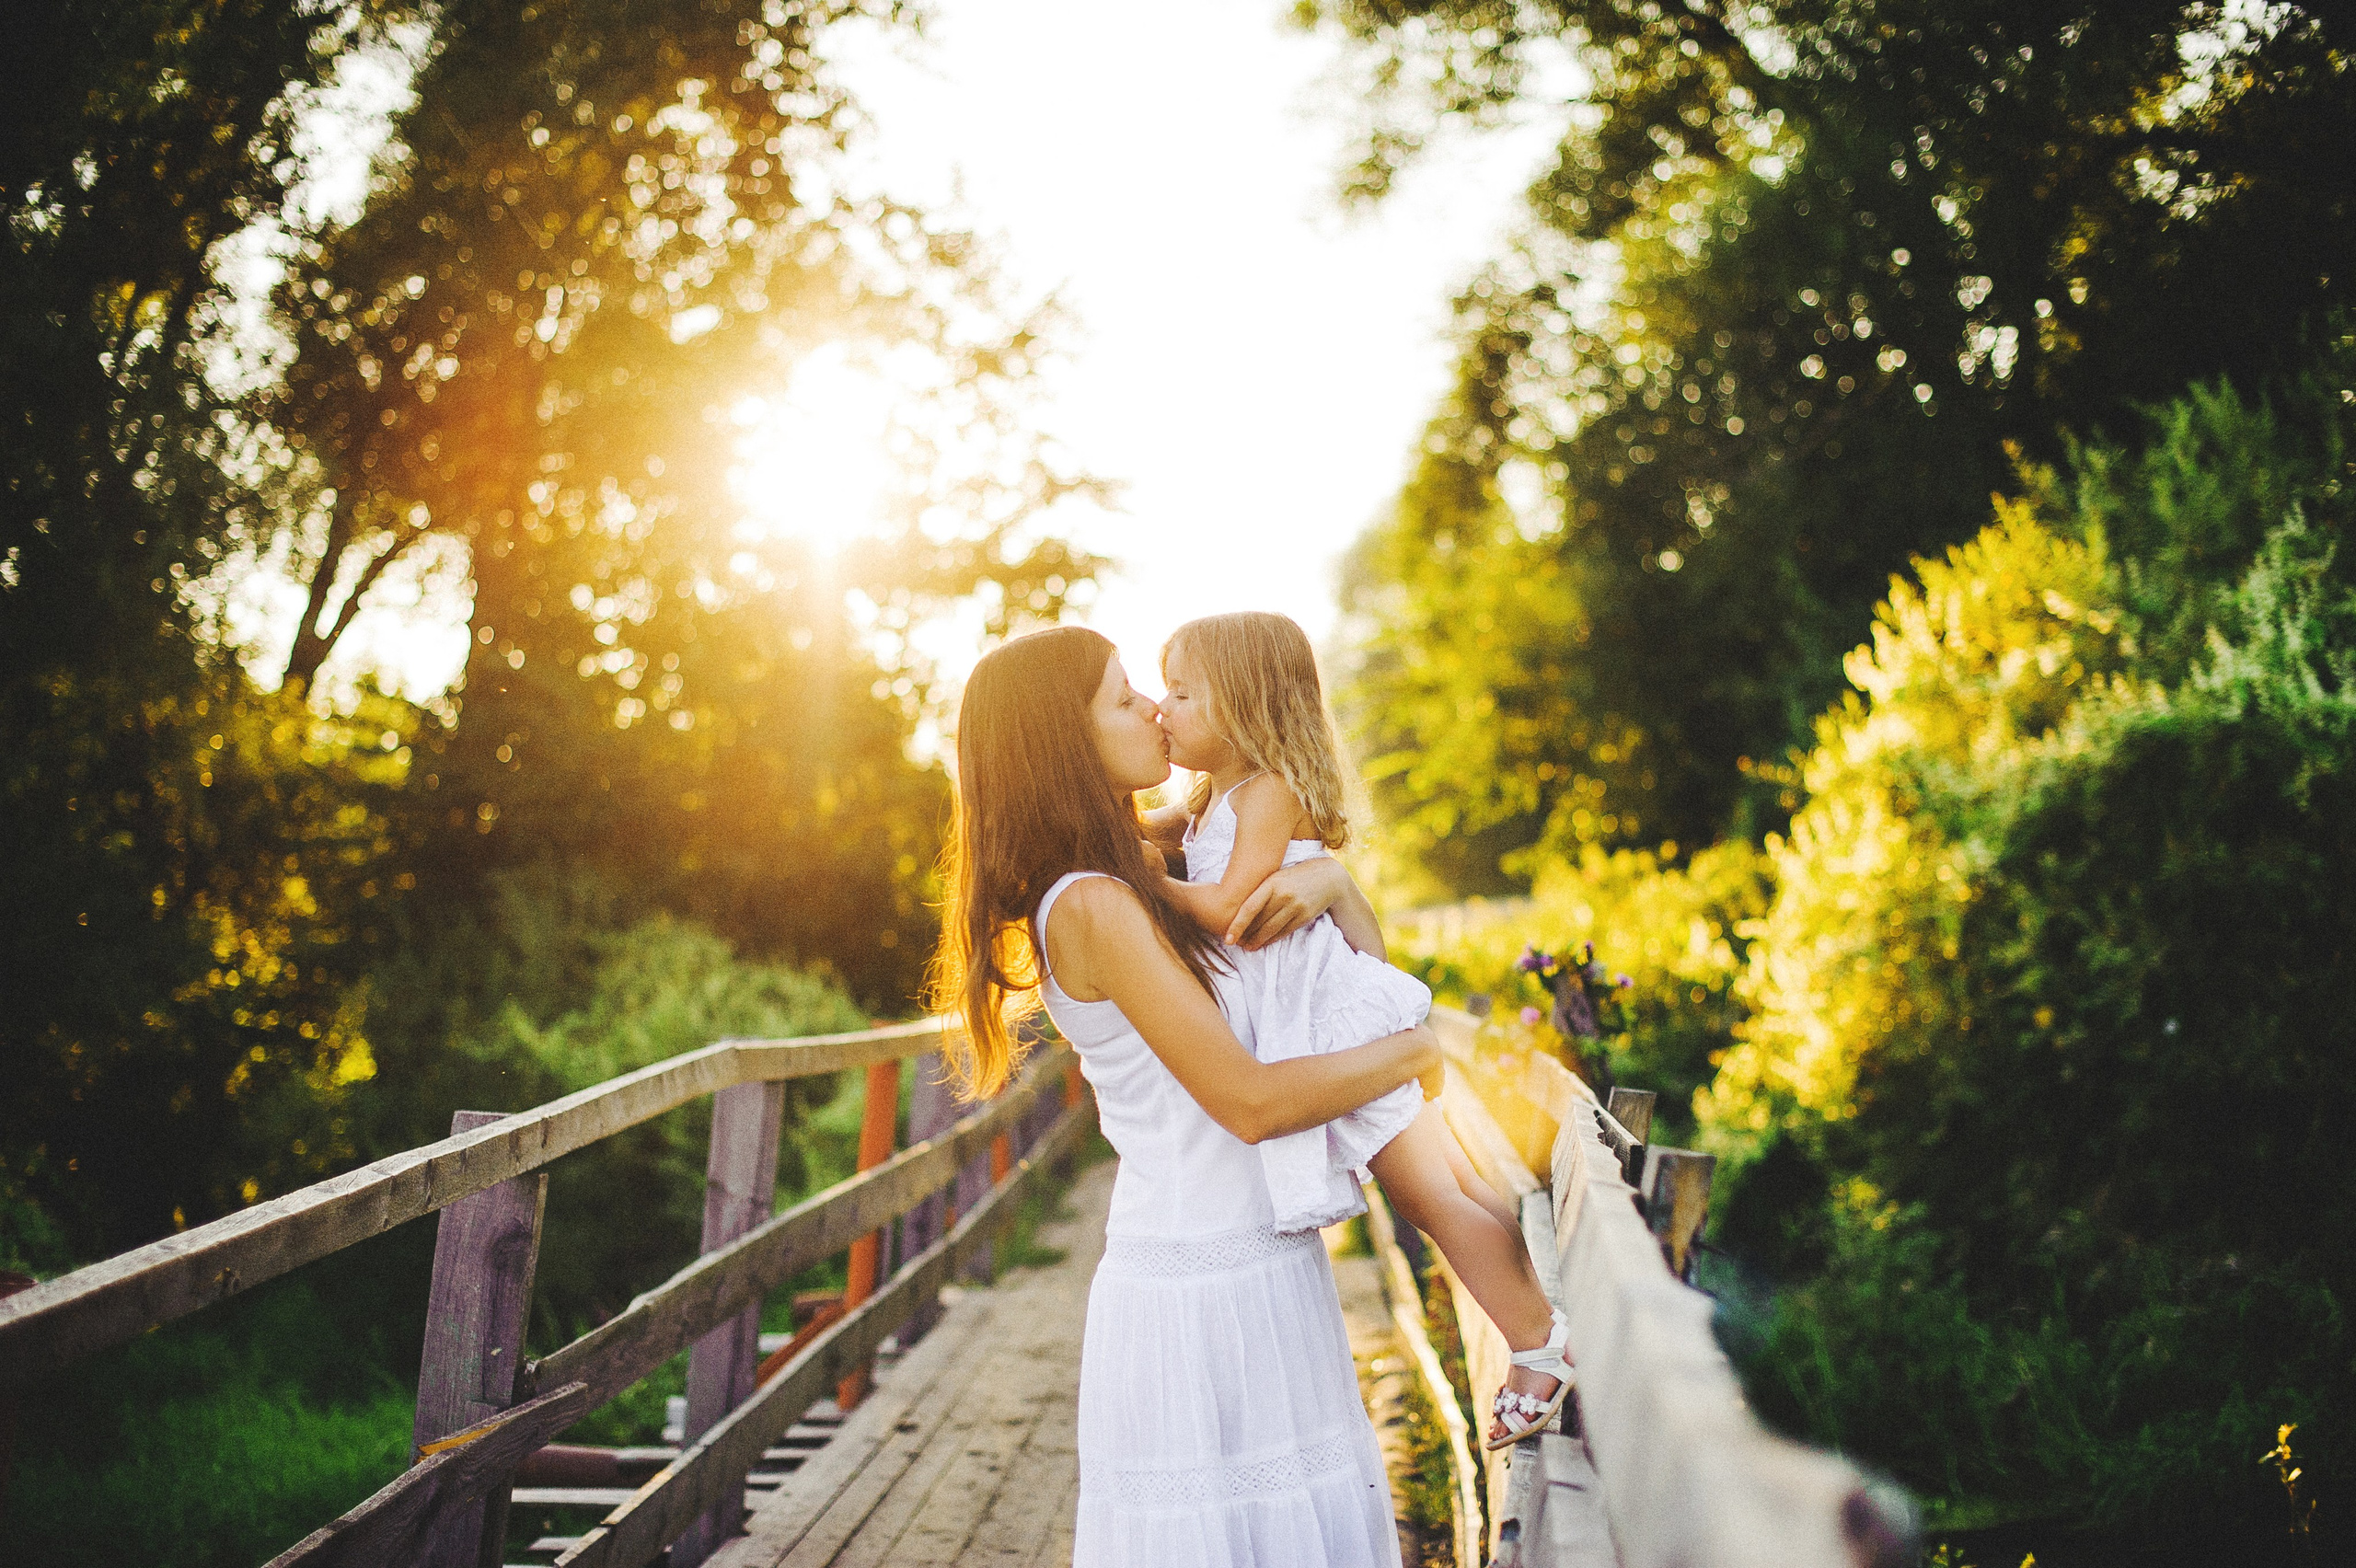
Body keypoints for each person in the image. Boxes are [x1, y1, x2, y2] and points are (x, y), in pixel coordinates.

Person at [933, 625, 1437, 1565]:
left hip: (1253, 1261)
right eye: (1124, 699)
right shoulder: (1091, 902)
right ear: (1066, 742)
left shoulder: (1143, 867)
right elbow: (1249, 1101)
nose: (1153, 712)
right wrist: (1419, 1051)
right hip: (1200, 1283)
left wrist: (1333, 883)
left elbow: (1332, 985)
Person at [1147, 611, 1572, 1450]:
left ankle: (1540, 1345)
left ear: (1240, 706)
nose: (1165, 708)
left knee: (1426, 1193)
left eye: (1183, 693)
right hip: (1320, 1025)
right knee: (1447, 1181)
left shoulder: (1266, 792)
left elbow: (1229, 910)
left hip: (1334, 1024)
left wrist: (1142, 880)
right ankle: (1544, 1311)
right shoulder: (1213, 803)